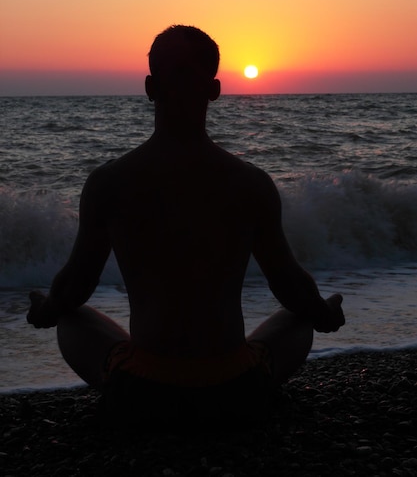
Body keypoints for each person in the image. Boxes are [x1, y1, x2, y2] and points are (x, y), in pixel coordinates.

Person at [27, 25, 344, 428]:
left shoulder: (110, 182)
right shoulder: (250, 183)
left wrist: (46, 309)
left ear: (148, 87)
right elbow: (290, 286)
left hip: (142, 392)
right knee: (298, 318)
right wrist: (324, 312)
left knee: (71, 316)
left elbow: (74, 287)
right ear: (214, 90)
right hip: (236, 389)